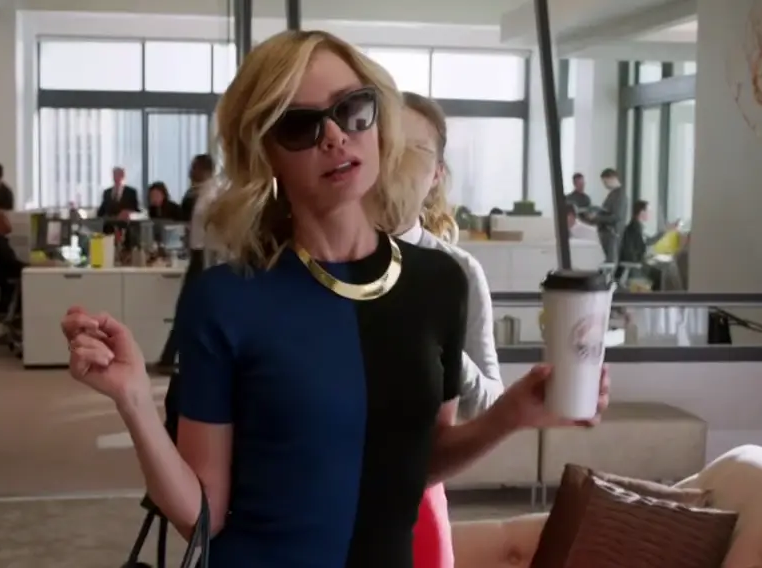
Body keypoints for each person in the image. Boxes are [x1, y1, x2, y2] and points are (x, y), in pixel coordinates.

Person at [61, 30, 609, 568]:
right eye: (299, 125)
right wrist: (134, 400)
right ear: (266, 154)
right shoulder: (227, 300)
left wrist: (509, 415)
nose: (335, 136)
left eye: (353, 109)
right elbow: (202, 514)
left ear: (379, 120)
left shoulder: (439, 282)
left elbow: (415, 467)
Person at [397, 92, 504, 568]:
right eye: (385, 145)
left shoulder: (457, 272)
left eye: (413, 151)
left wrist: (441, 347)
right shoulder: (325, 260)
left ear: (437, 173)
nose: (395, 163)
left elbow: (491, 401)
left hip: (417, 497)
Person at [155, 153, 218, 372]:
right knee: (187, 309)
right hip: (197, 256)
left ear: (204, 170)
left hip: (204, 258)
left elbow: (215, 233)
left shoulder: (213, 195)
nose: (190, 172)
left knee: (187, 308)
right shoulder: (200, 194)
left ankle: (169, 358)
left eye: (194, 167)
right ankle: (169, 358)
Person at [589, 168, 627, 264]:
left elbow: (616, 217)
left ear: (612, 178)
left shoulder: (620, 195)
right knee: (607, 261)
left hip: (612, 234)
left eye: (605, 182)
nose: (604, 185)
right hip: (608, 234)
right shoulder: (613, 194)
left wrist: (596, 218)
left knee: (610, 263)